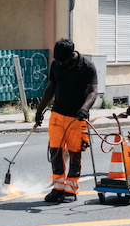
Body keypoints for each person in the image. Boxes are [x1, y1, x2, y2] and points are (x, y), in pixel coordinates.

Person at [33, 38, 98, 203]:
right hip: (57, 115)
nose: (60, 63)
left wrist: (85, 109)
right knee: (55, 152)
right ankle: (58, 188)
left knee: (75, 154)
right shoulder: (56, 64)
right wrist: (39, 110)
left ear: (72, 55)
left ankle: (71, 190)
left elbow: (93, 91)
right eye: (58, 60)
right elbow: (50, 88)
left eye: (63, 60)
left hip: (77, 117)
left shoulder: (87, 67)